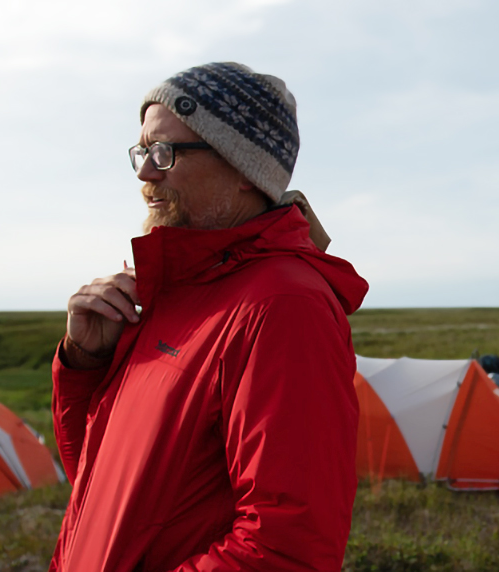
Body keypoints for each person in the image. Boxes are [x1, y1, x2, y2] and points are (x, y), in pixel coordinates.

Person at [49, 62, 369, 572]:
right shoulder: (172, 293)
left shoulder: (283, 307)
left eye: (165, 152)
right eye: (142, 151)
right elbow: (105, 494)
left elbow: (287, 549)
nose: (145, 173)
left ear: (245, 170)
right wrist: (86, 364)